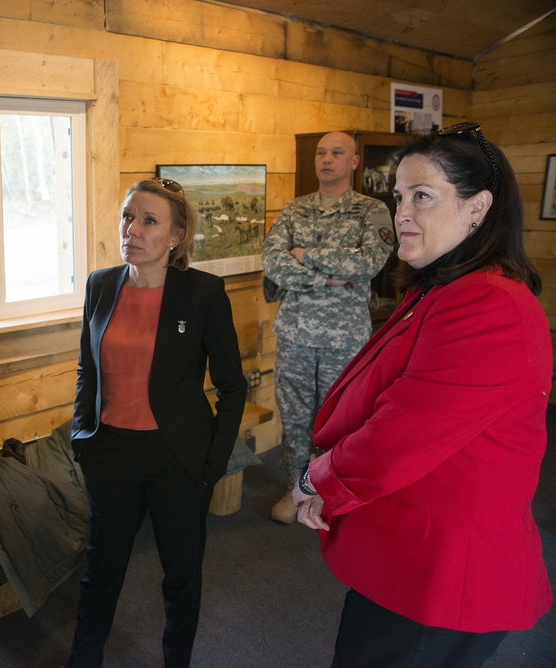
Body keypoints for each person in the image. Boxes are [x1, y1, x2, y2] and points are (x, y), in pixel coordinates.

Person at [293, 122, 552, 666]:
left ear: (478, 208)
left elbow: (400, 433)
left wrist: (315, 477)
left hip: (440, 574)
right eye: (400, 195)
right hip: (411, 558)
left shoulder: (488, 304)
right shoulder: (445, 289)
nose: (401, 213)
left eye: (423, 197)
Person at [66, 178, 248, 667]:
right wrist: (83, 437)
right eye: (128, 216)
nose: (133, 229)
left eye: (149, 220)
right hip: (111, 454)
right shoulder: (100, 284)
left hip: (178, 460)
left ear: (175, 237)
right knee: (100, 573)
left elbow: (233, 385)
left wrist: (213, 463)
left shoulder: (203, 293)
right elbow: (87, 366)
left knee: (181, 577)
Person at [261, 131, 394, 523]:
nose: (327, 159)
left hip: (345, 339)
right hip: (296, 334)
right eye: (322, 152)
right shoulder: (294, 209)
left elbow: (368, 262)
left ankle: (334, 494)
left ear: (354, 162)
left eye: (338, 152)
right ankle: (296, 490)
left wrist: (306, 255)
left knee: (342, 421)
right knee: (296, 418)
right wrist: (326, 278)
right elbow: (273, 261)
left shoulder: (371, 212)